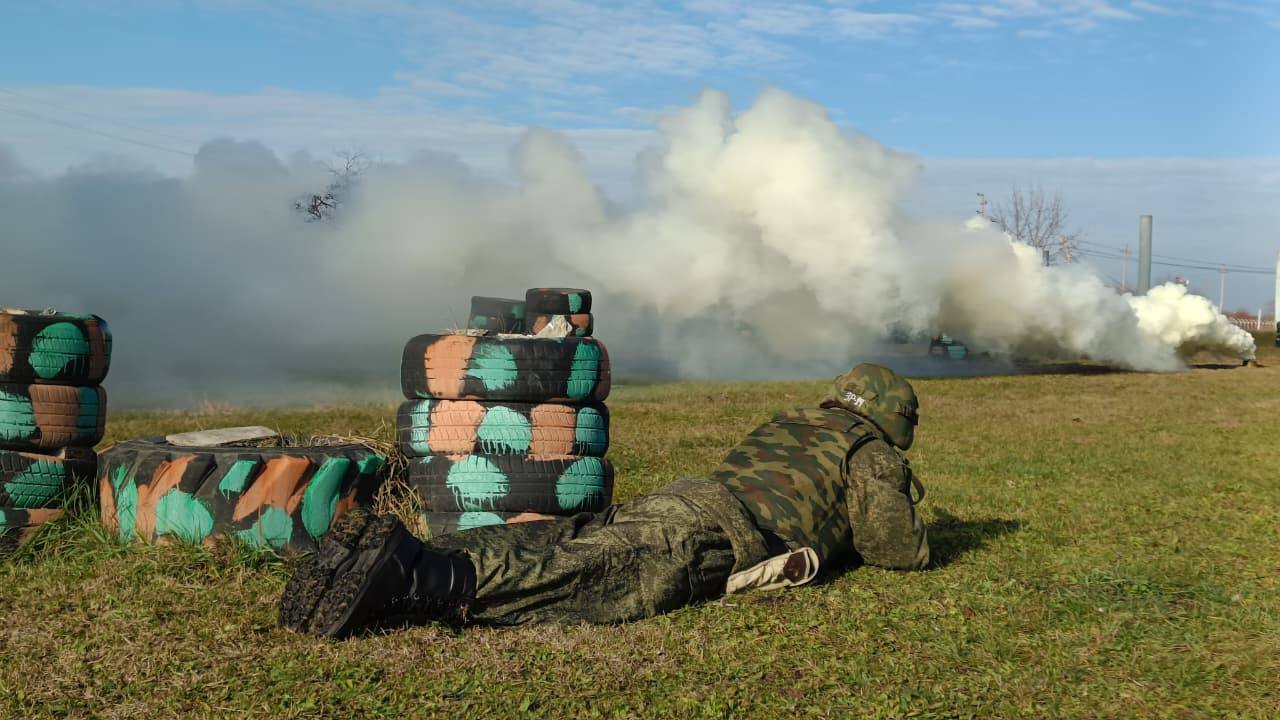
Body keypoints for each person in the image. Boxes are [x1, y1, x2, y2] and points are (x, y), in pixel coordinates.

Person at [279, 363, 930, 638]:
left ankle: (409, 549)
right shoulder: (872, 454)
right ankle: (418, 575)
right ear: (894, 418)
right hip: (723, 532)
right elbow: (891, 547)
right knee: (585, 572)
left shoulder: (792, 421)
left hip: (692, 498)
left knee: (559, 539)